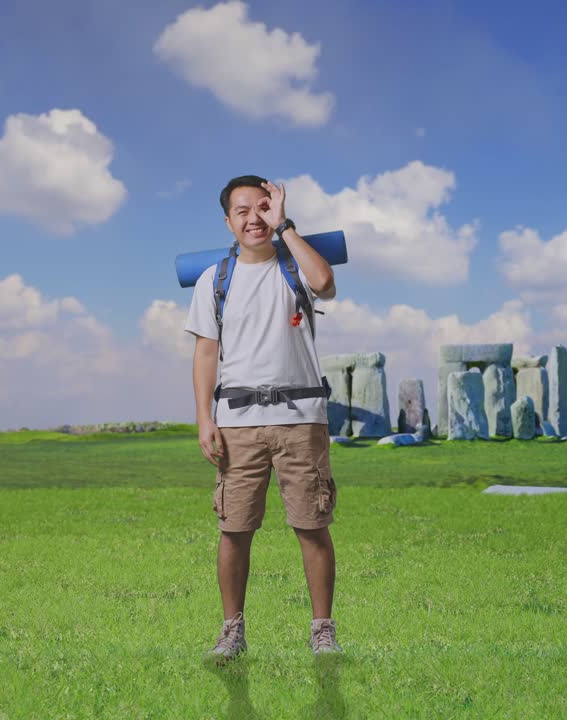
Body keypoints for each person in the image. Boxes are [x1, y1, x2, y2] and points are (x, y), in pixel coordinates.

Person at [183, 174, 342, 662]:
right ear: (228, 221)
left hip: (302, 418)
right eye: (242, 211)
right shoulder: (215, 279)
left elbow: (326, 285)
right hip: (237, 422)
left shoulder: (295, 264)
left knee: (311, 525)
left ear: (274, 209)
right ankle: (232, 632)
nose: (254, 218)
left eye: (263, 207)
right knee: (235, 529)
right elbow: (206, 353)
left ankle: (323, 632)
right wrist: (203, 416)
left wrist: (286, 226)